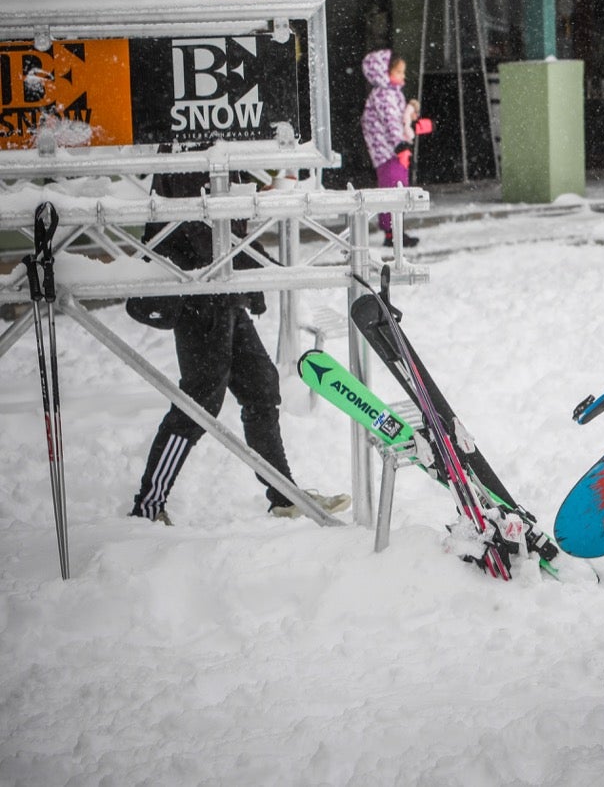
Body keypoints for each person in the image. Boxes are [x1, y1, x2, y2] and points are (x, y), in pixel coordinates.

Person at [129, 169, 350, 524]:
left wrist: (257, 276)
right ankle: (148, 506)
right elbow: (206, 235)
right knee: (199, 404)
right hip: (195, 293)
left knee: (261, 388)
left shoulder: (225, 152)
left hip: (225, 293)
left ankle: (284, 495)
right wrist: (266, 269)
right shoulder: (188, 153)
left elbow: (230, 231)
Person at [360, 48, 418, 248]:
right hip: (387, 151)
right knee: (393, 188)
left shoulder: (393, 94)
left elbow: (399, 119)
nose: (403, 76)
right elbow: (391, 122)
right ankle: (391, 230)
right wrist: (400, 144)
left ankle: (395, 230)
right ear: (384, 72)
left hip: (391, 151)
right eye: (399, 72)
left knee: (397, 187)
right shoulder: (383, 95)